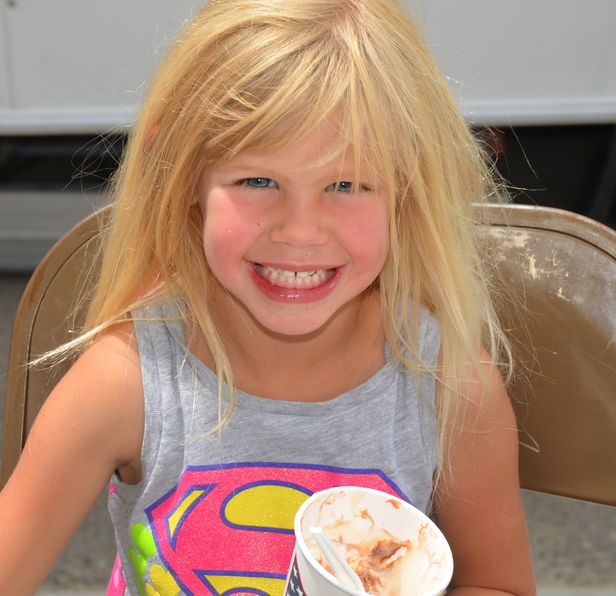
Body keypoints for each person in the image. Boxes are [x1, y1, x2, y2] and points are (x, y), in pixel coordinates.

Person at [0, 0, 536, 594]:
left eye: (346, 184)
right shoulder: (128, 381)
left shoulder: (447, 381)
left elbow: (500, 583)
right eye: (258, 181)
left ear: (406, 191)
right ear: (180, 178)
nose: (300, 231)